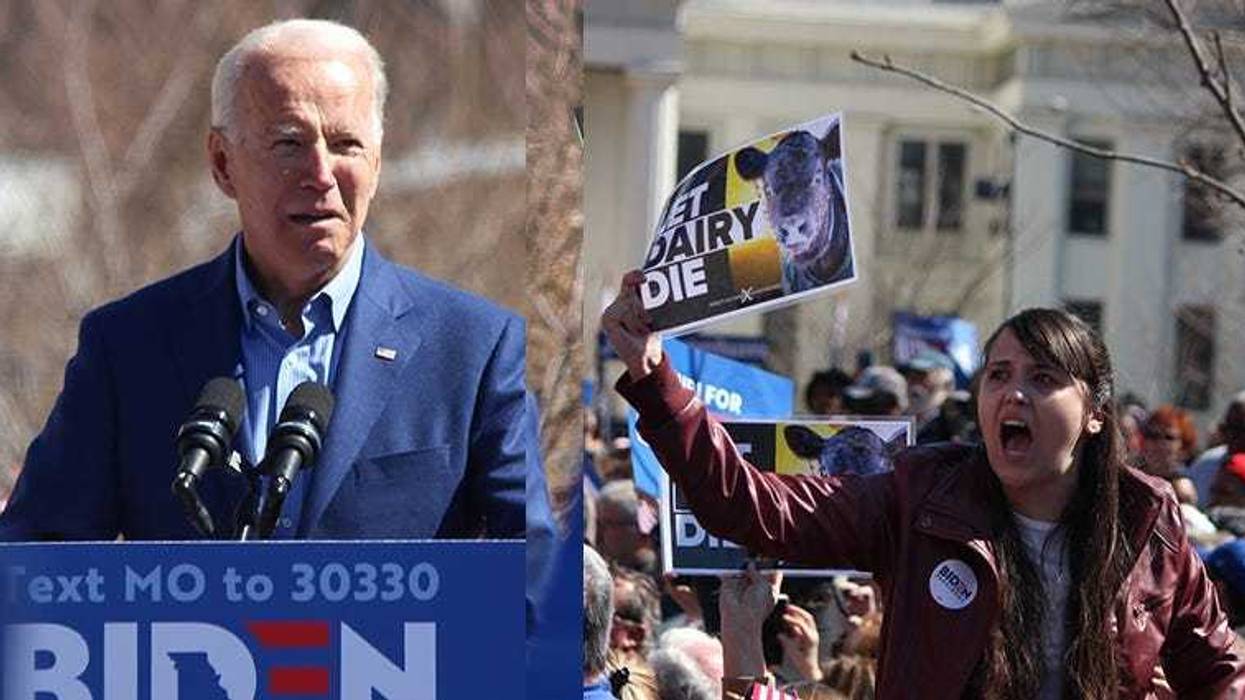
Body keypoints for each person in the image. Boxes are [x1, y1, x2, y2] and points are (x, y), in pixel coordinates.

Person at [0, 19, 550, 542]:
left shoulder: (476, 351)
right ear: (222, 163)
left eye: (346, 145)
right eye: (289, 144)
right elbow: (37, 561)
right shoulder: (126, 346)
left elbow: (532, 571)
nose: (320, 174)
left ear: (377, 163)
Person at [601, 270, 1245, 698]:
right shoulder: (920, 499)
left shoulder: (1146, 522)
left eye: (1044, 377)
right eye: (998, 374)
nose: (1013, 393)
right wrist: (658, 382)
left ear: (1097, 412)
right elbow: (753, 505)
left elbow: (1219, 673)